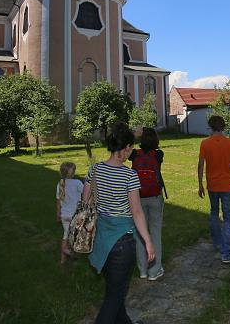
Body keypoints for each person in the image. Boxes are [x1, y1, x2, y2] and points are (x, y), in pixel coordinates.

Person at [83, 122, 155, 324]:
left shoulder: (94, 170)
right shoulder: (129, 176)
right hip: (122, 245)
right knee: (114, 297)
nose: (131, 151)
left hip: (100, 241)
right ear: (125, 149)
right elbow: (137, 212)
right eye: (131, 148)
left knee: (116, 290)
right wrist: (148, 241)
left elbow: (85, 202)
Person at [198, 115, 230, 263]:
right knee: (228, 217)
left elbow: (200, 165)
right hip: (226, 185)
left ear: (210, 127)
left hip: (212, 185)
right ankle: (226, 251)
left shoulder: (205, 143)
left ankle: (217, 243)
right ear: (223, 127)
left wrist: (200, 184)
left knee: (214, 212)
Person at [129, 127, 165, 281]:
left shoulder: (134, 154)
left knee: (139, 234)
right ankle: (155, 269)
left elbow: (126, 146)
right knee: (155, 232)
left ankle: (142, 270)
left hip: (137, 197)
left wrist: (134, 135)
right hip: (155, 197)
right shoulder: (158, 154)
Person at [56, 161, 83, 264]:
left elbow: (58, 201)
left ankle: (63, 259)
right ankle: (70, 252)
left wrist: (58, 214)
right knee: (75, 236)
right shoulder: (77, 183)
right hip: (75, 215)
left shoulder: (60, 184)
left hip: (64, 215)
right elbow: (86, 192)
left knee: (65, 235)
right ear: (73, 173)